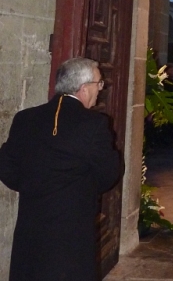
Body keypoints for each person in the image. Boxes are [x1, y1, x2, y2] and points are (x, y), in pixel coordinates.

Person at [0, 57, 121, 281]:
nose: (100, 90)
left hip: (31, 223)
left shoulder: (25, 118)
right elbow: (109, 174)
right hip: (71, 225)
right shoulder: (94, 124)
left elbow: (6, 166)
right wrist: (82, 189)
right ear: (84, 88)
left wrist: (32, 186)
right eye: (99, 83)